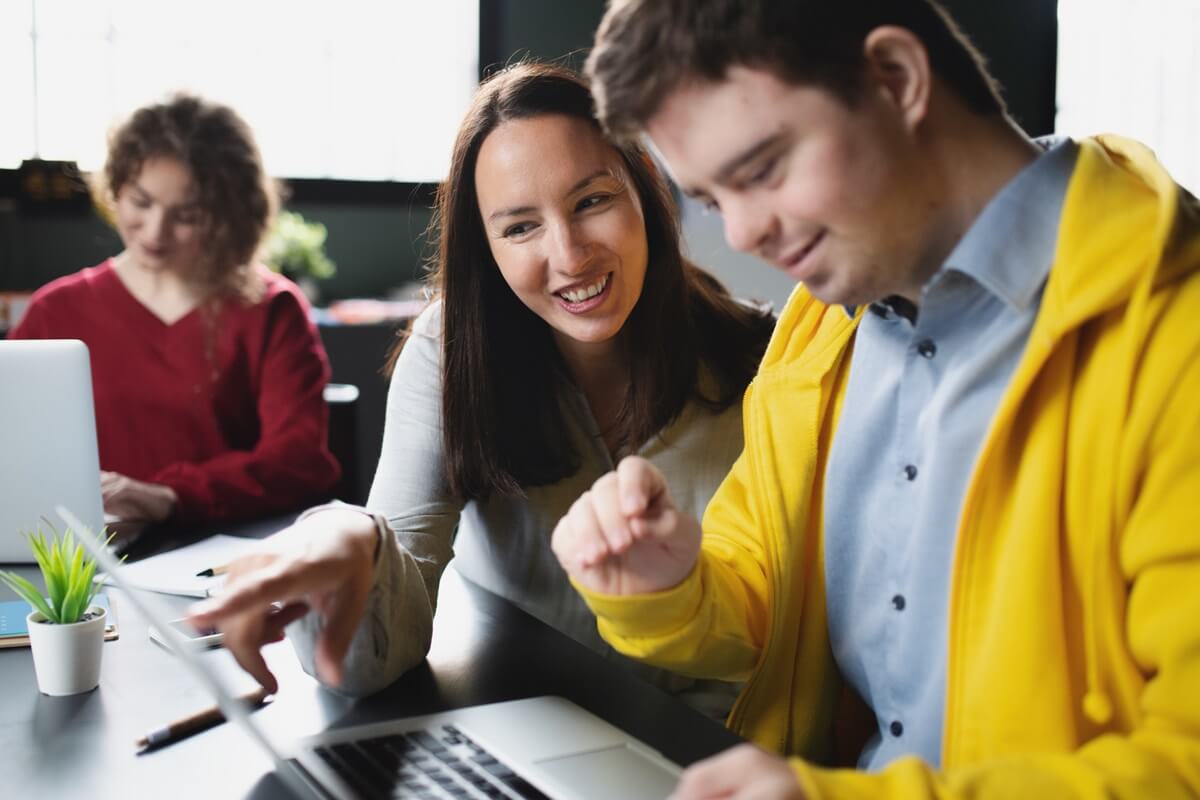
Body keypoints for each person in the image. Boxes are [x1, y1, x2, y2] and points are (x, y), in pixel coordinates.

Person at [550, 0, 1200, 797]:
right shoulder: (821, 324)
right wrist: (665, 584)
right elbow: (768, 596)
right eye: (715, 201)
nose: (746, 234)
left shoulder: (1177, 336)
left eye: (762, 169)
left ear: (896, 78)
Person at [187, 64, 776, 719]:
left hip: (729, 755)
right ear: (486, 248)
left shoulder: (764, 355)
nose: (570, 255)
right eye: (520, 227)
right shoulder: (451, 351)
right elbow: (373, 656)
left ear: (645, 191)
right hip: (536, 733)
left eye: (591, 201)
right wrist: (349, 537)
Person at [10, 94, 340, 532]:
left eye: (187, 215)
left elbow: (297, 462)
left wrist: (168, 497)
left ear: (227, 217)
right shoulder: (55, 311)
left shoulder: (270, 308)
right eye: (140, 202)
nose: (155, 231)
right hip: (82, 556)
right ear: (116, 190)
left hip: (228, 556)